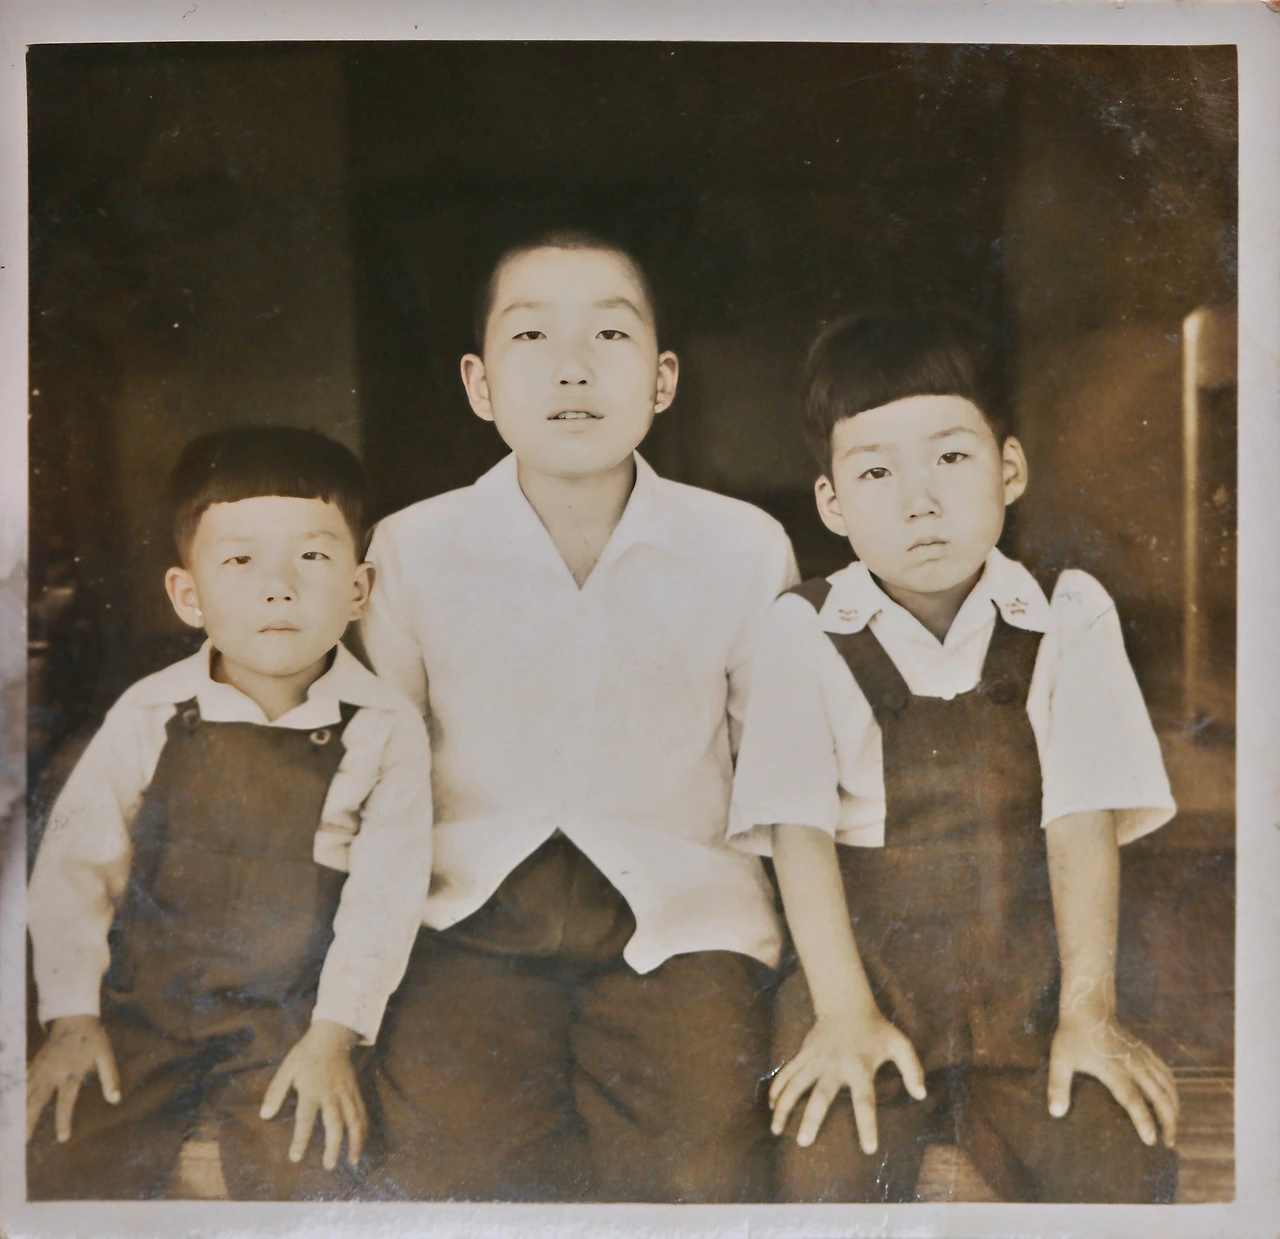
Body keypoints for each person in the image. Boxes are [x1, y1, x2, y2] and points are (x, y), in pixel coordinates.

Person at [359, 228, 798, 1202]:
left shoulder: (741, 547)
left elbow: (781, 780)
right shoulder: (409, 549)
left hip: (685, 927)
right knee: (453, 1177)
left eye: (609, 333)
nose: (572, 367)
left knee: (696, 1174)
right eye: (530, 336)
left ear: (663, 378)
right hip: (467, 926)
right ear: (478, 384)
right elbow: (382, 782)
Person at [729, 309, 1180, 1203]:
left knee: (1119, 1152)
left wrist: (1087, 1011)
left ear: (1009, 469)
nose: (920, 500)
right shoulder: (802, 628)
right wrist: (843, 1014)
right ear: (831, 502)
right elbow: (797, 836)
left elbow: (1082, 819)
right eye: (876, 471)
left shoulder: (1068, 611)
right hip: (865, 982)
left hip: (1031, 989)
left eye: (950, 457)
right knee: (826, 1166)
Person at [26, 426, 433, 1200]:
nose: (279, 587)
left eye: (311, 556)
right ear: (188, 594)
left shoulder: (385, 727)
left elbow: (385, 898)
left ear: (358, 588)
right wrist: (72, 1016)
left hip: (290, 1019)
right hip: (146, 1007)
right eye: (241, 561)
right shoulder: (148, 712)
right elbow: (75, 869)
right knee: (59, 1158)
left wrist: (333, 1035)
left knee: (306, 1173)